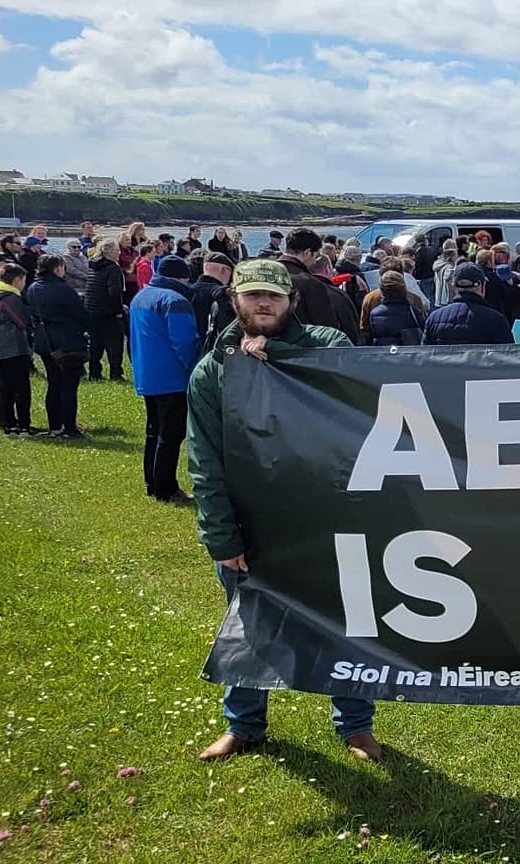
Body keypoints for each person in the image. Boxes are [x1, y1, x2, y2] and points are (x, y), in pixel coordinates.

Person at [187, 259, 380, 761]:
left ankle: (355, 725)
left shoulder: (326, 343)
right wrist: (222, 539)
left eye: (273, 296)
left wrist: (281, 358)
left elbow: (351, 383)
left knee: (344, 619)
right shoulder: (214, 370)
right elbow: (205, 460)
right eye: (252, 296)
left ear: (292, 300)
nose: (264, 304)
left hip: (326, 515)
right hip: (254, 524)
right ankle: (243, 725)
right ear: (235, 301)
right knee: (248, 623)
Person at [130, 255, 201, 504]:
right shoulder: (176, 300)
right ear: (182, 277)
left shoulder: (141, 295)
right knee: (170, 436)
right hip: (173, 377)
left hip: (147, 374)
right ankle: (167, 489)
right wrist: (196, 370)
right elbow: (185, 343)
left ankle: (152, 483)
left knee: (154, 432)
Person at [26, 255, 90, 437]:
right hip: (67, 341)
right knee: (69, 385)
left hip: (45, 342)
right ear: (57, 268)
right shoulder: (63, 289)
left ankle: (55, 425)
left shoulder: (32, 288)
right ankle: (69, 427)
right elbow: (81, 314)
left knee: (54, 384)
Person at [280, 229, 359, 341]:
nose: (314, 261)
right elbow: (328, 331)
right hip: (302, 351)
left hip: (259, 348)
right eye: (315, 256)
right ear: (308, 253)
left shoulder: (268, 274)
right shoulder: (310, 284)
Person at [422, 263, 514, 346]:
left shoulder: (434, 318)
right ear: (482, 286)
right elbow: (508, 357)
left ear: (454, 287)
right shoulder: (496, 320)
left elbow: (424, 356)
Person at [0, 264, 34, 436]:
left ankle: (8, 423)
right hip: (14, 348)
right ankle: (23, 425)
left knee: (5, 386)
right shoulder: (10, 298)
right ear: (17, 280)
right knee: (22, 387)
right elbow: (22, 321)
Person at [85, 237, 128, 381]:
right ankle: (116, 373)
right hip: (108, 311)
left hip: (92, 310)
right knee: (115, 344)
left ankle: (94, 372)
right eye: (117, 250)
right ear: (108, 252)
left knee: (95, 344)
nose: (119, 253)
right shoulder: (113, 268)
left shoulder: (93, 266)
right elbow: (114, 292)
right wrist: (119, 312)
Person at [366, 271, 428, 346]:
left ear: (382, 291)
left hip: (383, 355)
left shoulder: (374, 314)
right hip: (409, 354)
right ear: (403, 288)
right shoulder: (413, 311)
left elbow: (369, 337)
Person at [190, 252, 237, 349]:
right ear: (224, 270)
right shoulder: (223, 295)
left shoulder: (187, 291)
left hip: (190, 348)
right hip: (212, 350)